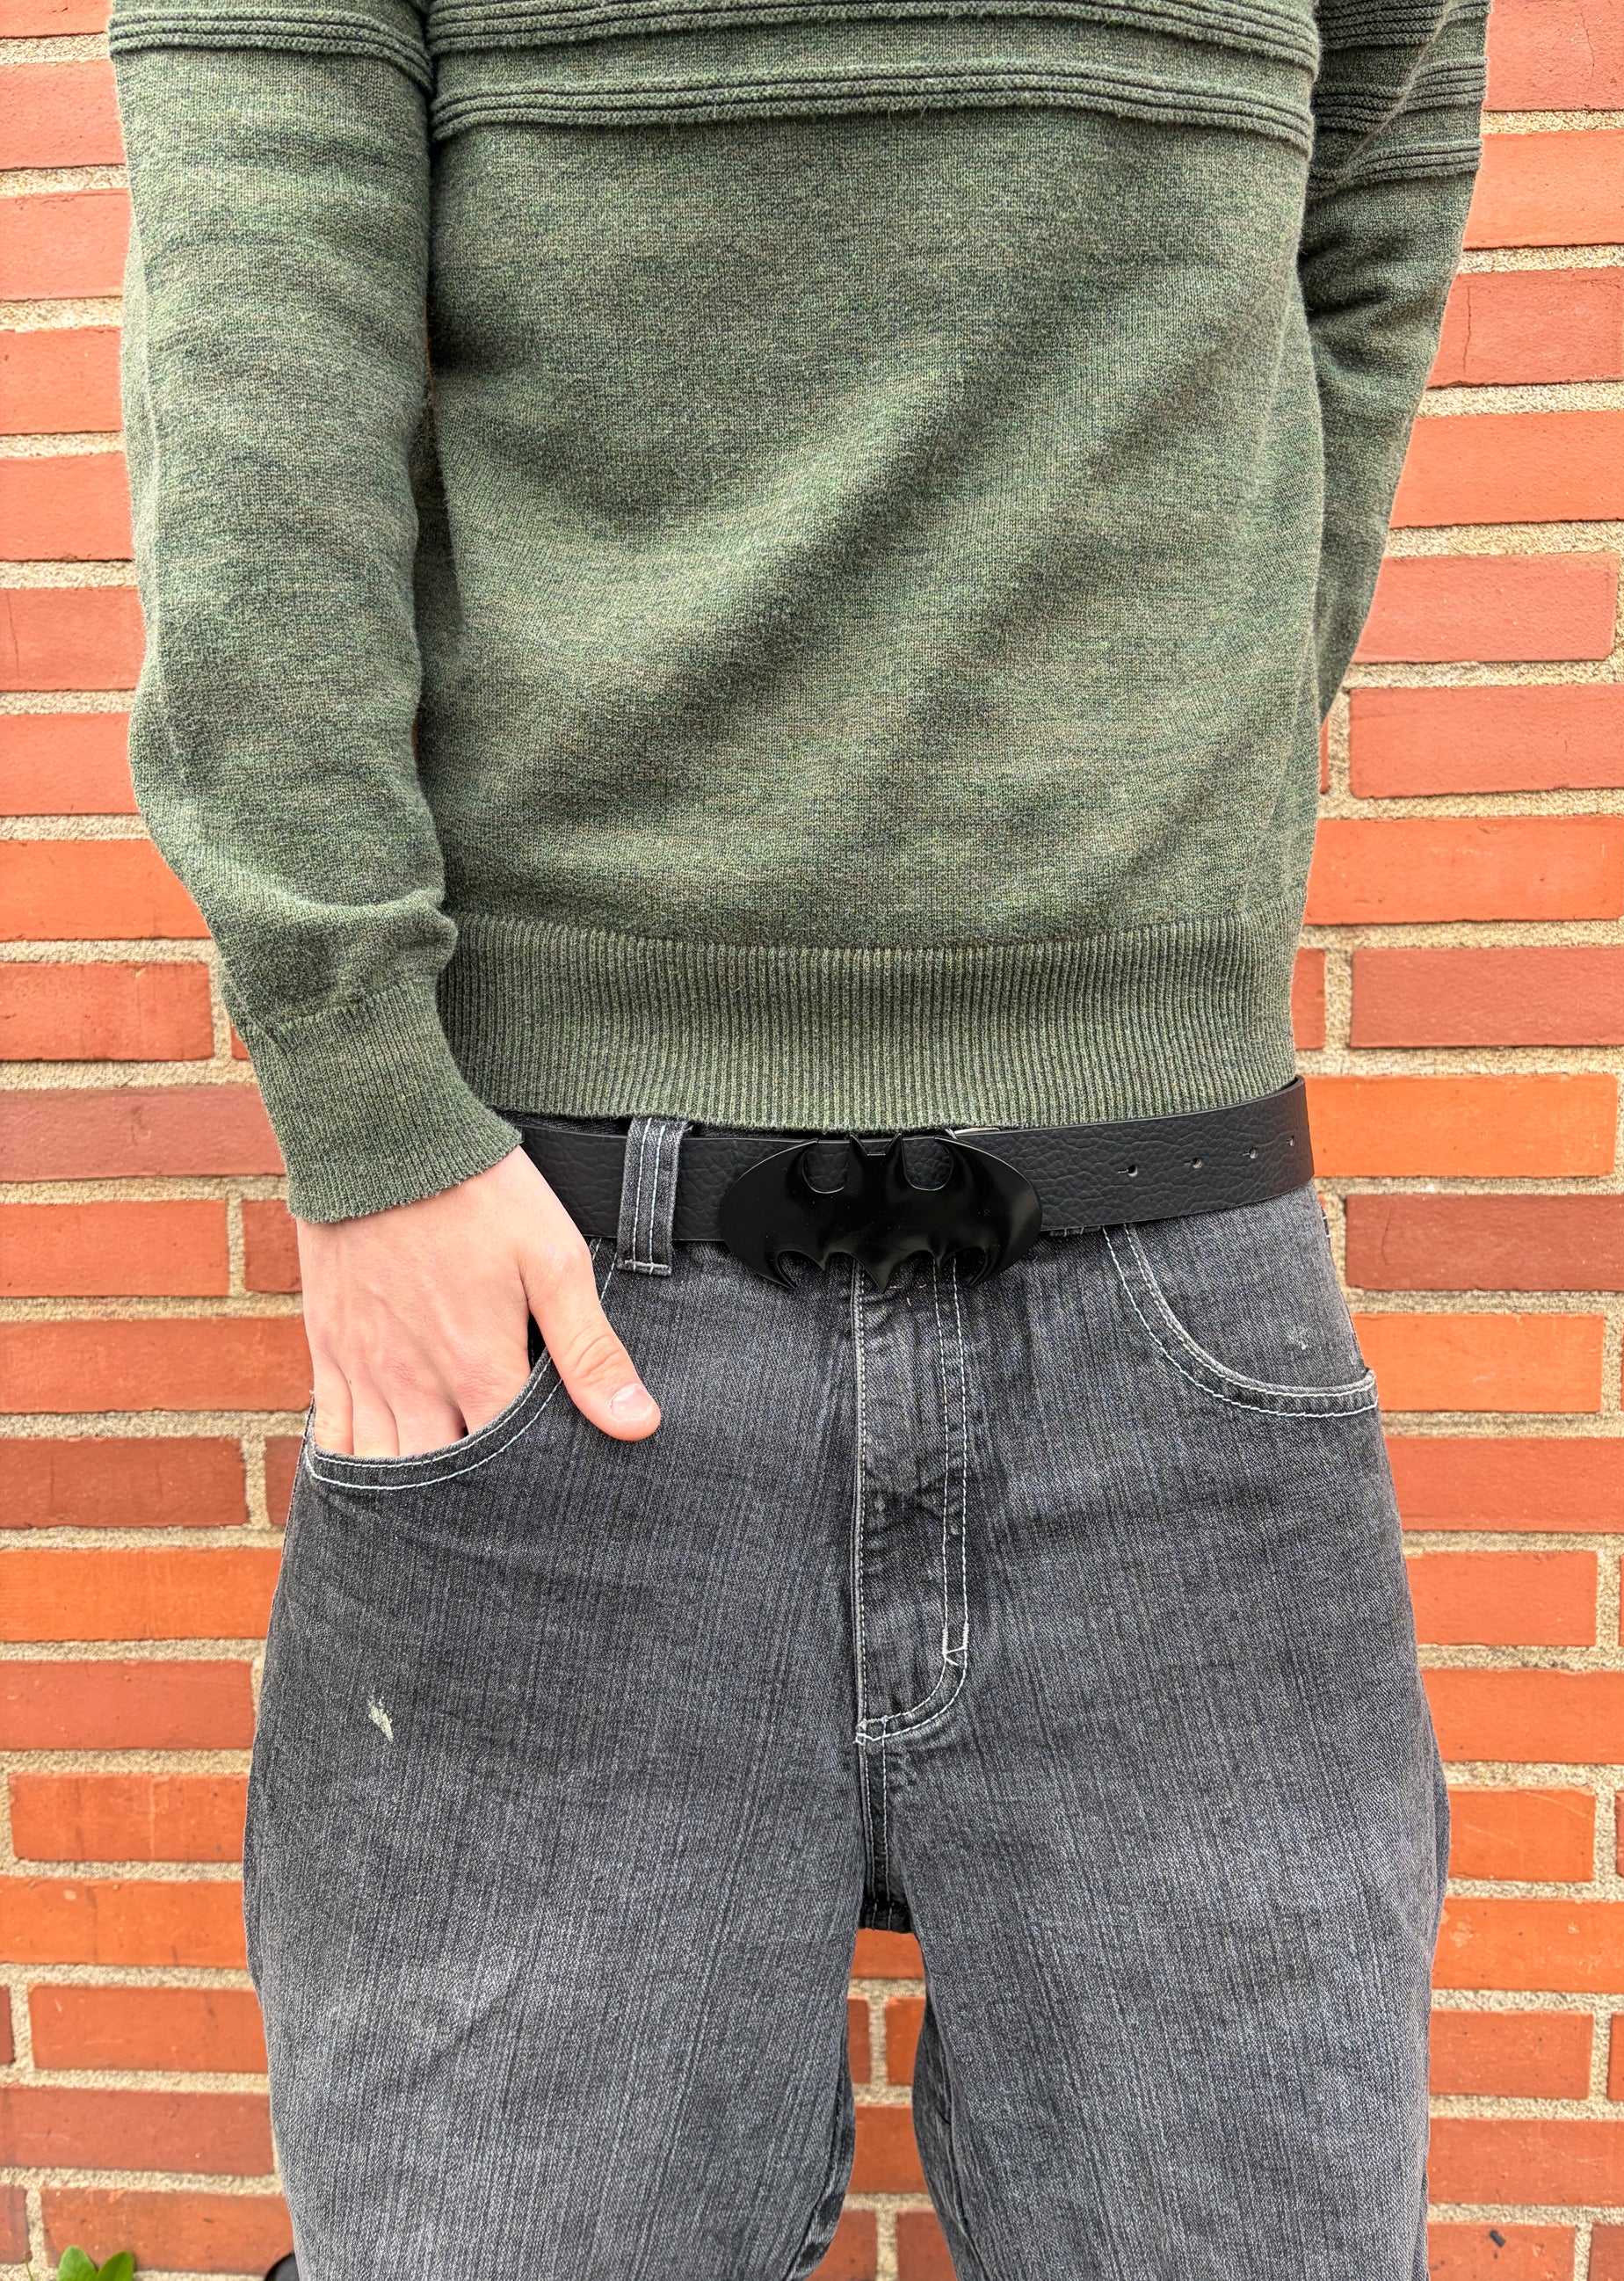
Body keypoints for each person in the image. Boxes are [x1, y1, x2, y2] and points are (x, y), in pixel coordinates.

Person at [110, 0, 1486, 2265]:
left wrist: (1195, 727)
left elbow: (1379, 182)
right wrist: (365, 1112)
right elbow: (258, 351)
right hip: (559, 1303)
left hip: (1174, 1275)